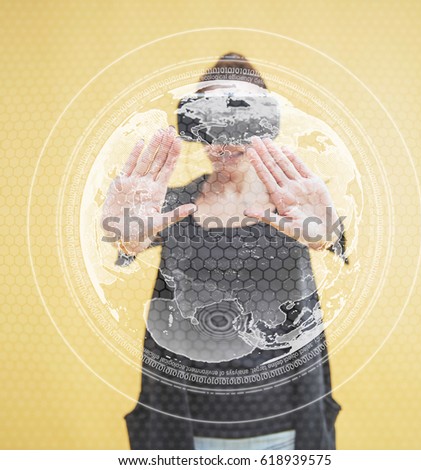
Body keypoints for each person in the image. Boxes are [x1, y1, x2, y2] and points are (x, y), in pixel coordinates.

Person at [102, 53, 345, 450]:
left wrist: (326, 233)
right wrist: (124, 236)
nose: (228, 134)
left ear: (267, 124)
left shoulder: (295, 205)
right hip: (184, 426)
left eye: (243, 114)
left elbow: (339, 246)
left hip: (285, 421)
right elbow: (122, 252)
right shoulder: (173, 204)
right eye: (212, 116)